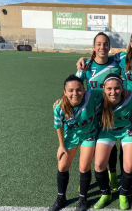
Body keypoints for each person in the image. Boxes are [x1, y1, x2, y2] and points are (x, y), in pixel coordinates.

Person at [75, 32, 122, 191]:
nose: (102, 47)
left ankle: (113, 174)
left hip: (111, 112)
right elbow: (74, 84)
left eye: (105, 44)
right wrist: (62, 100)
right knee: (90, 146)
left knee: (111, 145)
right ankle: (87, 179)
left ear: (109, 47)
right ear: (94, 47)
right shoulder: (86, 65)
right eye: (99, 44)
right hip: (91, 114)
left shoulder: (117, 62)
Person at [48, 75, 102, 211]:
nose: (75, 94)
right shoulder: (59, 107)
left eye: (78, 90)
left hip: (88, 135)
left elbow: (108, 91)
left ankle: (83, 199)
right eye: (70, 90)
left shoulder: (91, 95)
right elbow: (58, 127)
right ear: (65, 92)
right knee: (62, 166)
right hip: (70, 137)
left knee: (84, 168)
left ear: (84, 90)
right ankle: (61, 197)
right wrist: (61, 146)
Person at [93, 73, 132, 210]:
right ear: (103, 88)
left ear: (122, 88)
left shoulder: (131, 95)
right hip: (108, 131)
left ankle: (123, 194)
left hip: (127, 131)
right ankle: (105, 193)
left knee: (129, 166)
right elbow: (77, 96)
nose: (113, 92)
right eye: (109, 89)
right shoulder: (98, 98)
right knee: (99, 165)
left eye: (117, 88)